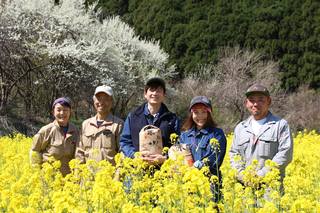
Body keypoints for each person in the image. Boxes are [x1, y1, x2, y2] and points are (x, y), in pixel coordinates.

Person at [230, 83, 293, 186]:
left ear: (269, 101)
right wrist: (242, 175)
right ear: (246, 103)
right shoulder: (240, 128)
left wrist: (261, 175)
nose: (255, 104)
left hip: (270, 188)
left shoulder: (280, 125)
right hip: (245, 187)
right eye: (252, 100)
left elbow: (285, 154)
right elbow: (234, 154)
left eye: (260, 100)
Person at [120, 77, 180, 165]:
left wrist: (165, 157)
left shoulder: (172, 119)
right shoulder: (132, 116)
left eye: (159, 90)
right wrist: (134, 156)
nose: (155, 93)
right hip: (136, 171)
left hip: (162, 172)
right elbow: (125, 141)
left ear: (164, 94)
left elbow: (177, 146)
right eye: (152, 90)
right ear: (145, 94)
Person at [180, 96, 227, 200]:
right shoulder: (184, 136)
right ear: (191, 114)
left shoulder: (217, 134)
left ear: (209, 113)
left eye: (204, 112)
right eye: (196, 112)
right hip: (190, 184)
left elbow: (216, 158)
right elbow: (181, 157)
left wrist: (201, 164)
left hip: (210, 183)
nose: (200, 116)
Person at [30, 97, 79, 176]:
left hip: (69, 179)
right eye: (58, 110)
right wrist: (37, 173)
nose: (62, 113)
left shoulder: (76, 131)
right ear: (53, 112)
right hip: (49, 177)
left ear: (70, 112)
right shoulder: (46, 130)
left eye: (65, 110)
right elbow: (34, 152)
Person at [75, 85, 123, 165]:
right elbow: (80, 151)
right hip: (87, 175)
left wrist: (117, 175)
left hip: (109, 176)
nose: (101, 102)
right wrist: (78, 172)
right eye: (98, 99)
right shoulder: (86, 124)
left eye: (106, 99)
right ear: (94, 101)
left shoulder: (118, 124)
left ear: (111, 102)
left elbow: (122, 153)